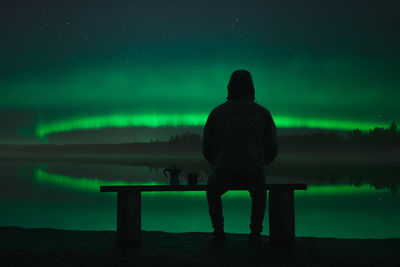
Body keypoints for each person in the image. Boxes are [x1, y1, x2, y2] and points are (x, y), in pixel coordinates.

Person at [202, 70, 278, 243]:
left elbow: (206, 147)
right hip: (254, 171)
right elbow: (273, 147)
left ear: (230, 88)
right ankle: (256, 232)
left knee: (212, 189)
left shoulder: (217, 113)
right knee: (259, 191)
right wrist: (260, 163)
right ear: (251, 88)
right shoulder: (262, 113)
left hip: (223, 171)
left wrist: (218, 163)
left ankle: (219, 230)